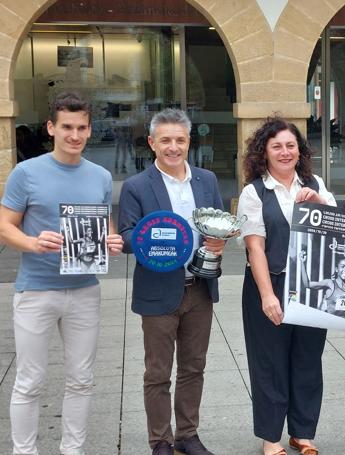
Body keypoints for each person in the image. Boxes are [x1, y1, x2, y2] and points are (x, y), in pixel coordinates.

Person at [0, 91, 124, 455]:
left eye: (82, 127)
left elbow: (105, 224)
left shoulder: (100, 176)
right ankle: (25, 452)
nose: (75, 135)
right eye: (67, 127)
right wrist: (32, 242)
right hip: (36, 289)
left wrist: (112, 238)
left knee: (82, 380)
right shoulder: (26, 173)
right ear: (51, 127)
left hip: (85, 289)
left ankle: (73, 449)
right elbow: (5, 225)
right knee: (29, 381)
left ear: (89, 129)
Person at [118, 108, 225, 455]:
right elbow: (126, 235)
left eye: (180, 139)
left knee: (194, 367)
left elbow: (221, 223)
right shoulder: (136, 186)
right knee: (158, 372)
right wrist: (156, 241)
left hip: (199, 288)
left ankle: (188, 435)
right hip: (158, 290)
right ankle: (160, 440)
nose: (173, 147)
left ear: (189, 142)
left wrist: (220, 241)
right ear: (152, 143)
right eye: (165, 140)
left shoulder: (207, 181)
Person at [237, 117, 336, 455]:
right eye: (276, 145)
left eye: (290, 145)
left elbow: (340, 230)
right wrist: (267, 295)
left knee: (308, 360)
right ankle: (271, 438)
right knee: (270, 363)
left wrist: (320, 204)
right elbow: (255, 248)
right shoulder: (254, 192)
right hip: (271, 284)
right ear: (264, 152)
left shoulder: (316, 183)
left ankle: (303, 433)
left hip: (312, 285)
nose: (284, 151)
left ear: (299, 150)